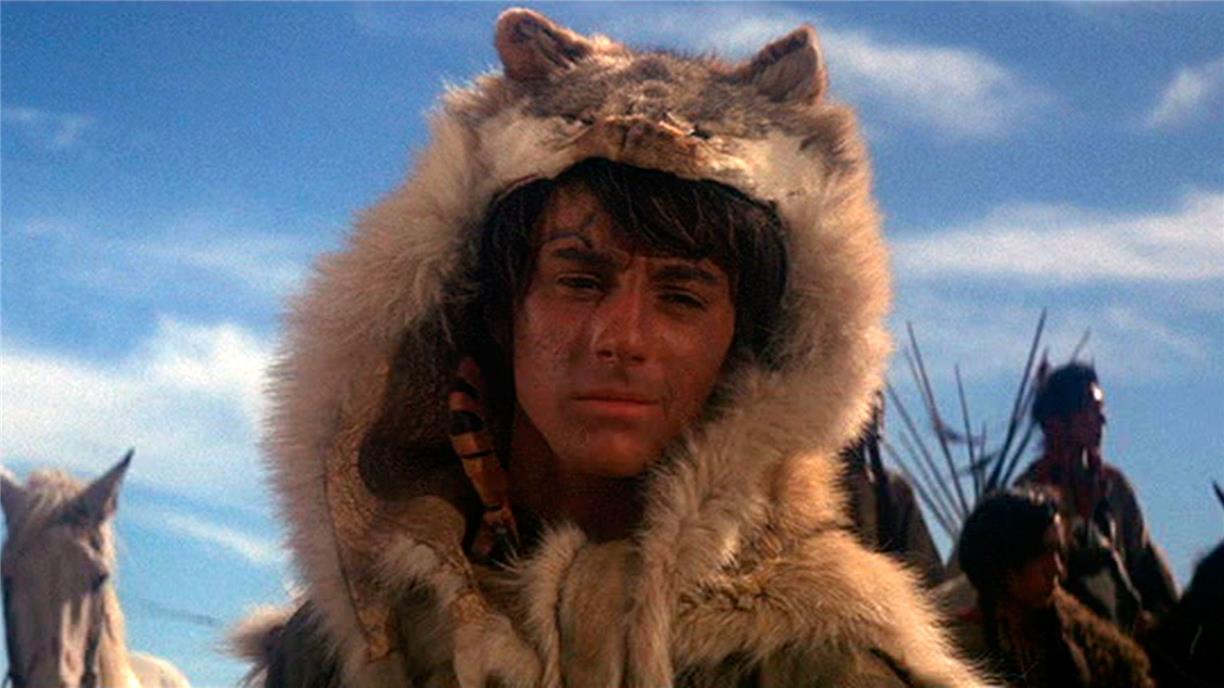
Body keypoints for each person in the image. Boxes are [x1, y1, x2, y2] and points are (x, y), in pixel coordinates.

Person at [233, 9, 985, 687]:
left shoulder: (820, 662)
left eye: (681, 296)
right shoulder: (353, 646)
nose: (622, 337)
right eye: (579, 280)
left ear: (745, 345)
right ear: (499, 308)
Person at [1018, 363, 1177, 631]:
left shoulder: (1115, 488)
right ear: (1057, 423)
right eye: (1091, 411)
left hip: (1120, 628)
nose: (1102, 420)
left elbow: (1143, 563)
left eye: (1101, 410)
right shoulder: (1025, 497)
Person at [954, 489, 1154, 688]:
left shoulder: (1066, 636)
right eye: (1042, 553)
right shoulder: (960, 649)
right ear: (1006, 561)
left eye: (1059, 552)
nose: (1057, 569)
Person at [840, 394, 946, 587]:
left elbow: (926, 577)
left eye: (877, 409)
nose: (875, 416)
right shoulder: (808, 491)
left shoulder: (894, 489)